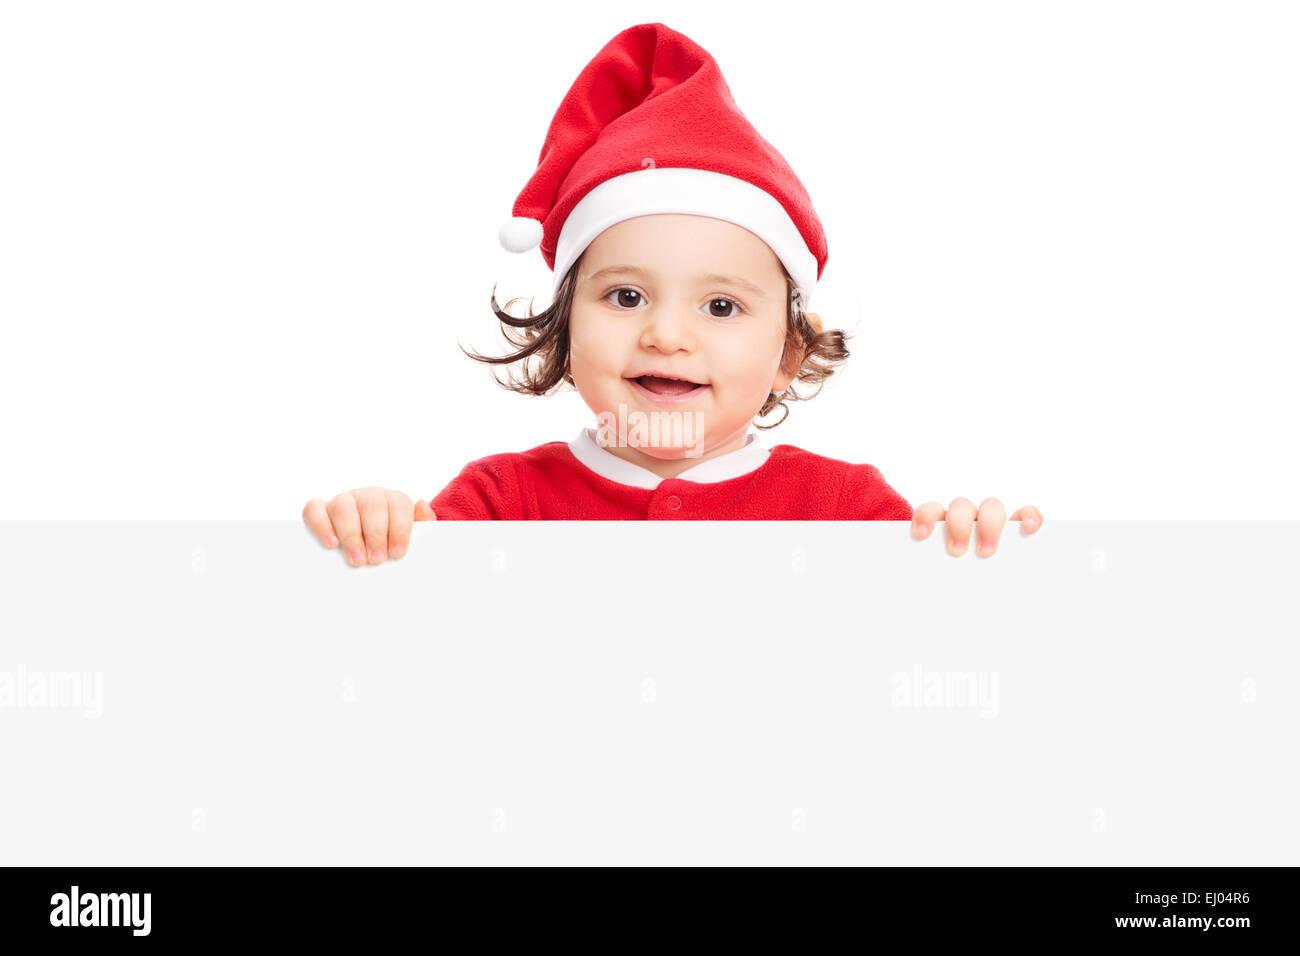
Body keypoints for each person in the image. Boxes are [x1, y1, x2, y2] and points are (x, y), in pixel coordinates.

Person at [302, 22, 1043, 563]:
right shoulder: (502, 502)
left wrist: (967, 550)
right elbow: (412, 626)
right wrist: (380, 530)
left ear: (789, 354)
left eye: (720, 307)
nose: (666, 335)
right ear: (563, 332)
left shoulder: (845, 511)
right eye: (625, 298)